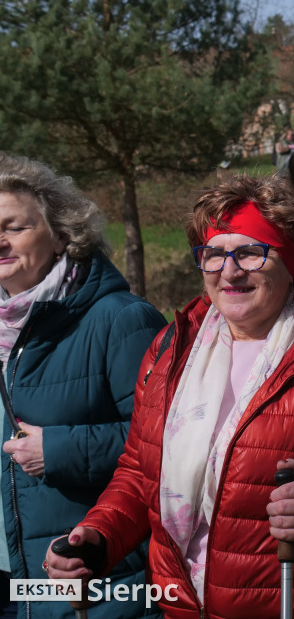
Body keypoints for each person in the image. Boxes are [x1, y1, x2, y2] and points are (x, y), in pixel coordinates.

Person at [45, 175, 294, 618]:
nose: (230, 270)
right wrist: (99, 535)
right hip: (182, 605)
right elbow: (140, 474)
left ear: (292, 261)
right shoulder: (170, 351)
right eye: (214, 254)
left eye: (250, 252)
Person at [0, 154, 165, 619]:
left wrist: (61, 450)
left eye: (14, 227)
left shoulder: (123, 320)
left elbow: (168, 444)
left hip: (86, 578)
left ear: (61, 235)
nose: (0, 241)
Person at [274, 128, 294, 193]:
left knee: (293, 185)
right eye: (290, 135)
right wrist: (288, 147)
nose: (292, 136)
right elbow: (279, 150)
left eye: (293, 135)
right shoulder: (280, 142)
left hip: (293, 168)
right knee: (284, 187)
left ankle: (292, 200)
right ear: (286, 135)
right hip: (284, 168)